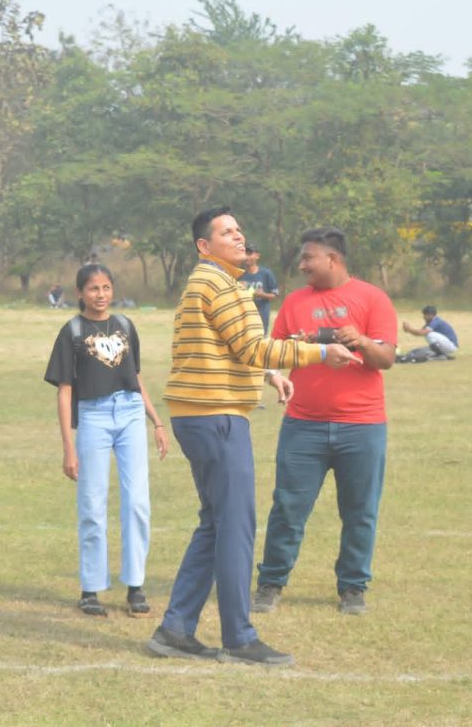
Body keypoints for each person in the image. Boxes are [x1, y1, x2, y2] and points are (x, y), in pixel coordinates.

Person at [146, 206, 359, 667]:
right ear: (204, 246)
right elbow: (251, 346)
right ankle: (239, 638)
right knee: (236, 526)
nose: (239, 237)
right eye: (227, 232)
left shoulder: (213, 283)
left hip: (201, 414)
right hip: (215, 417)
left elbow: (223, 349)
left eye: (239, 230)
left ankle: (175, 629)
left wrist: (267, 374)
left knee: (216, 523)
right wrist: (320, 351)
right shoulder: (217, 284)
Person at [252, 227, 397, 617]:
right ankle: (271, 582)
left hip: (362, 426)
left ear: (332, 259)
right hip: (304, 425)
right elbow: (272, 353)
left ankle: (353, 587)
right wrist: (278, 369)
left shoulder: (373, 298)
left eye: (308, 258)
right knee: (288, 508)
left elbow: (386, 359)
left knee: (360, 511)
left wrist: (361, 341)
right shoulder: (295, 302)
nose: (302, 265)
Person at [44, 264, 169, 618]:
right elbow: (65, 392)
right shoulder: (72, 331)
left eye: (106, 287)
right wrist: (68, 448)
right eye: (93, 289)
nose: (101, 295)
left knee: (137, 502)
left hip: (130, 412)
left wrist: (157, 421)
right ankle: (91, 588)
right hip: (94, 415)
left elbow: (136, 379)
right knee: (92, 504)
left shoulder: (125, 326)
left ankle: (135, 585)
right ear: (80, 293)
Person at [239, 243, 279, 334]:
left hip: (261, 318)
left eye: (249, 253)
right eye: (245, 253)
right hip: (244, 319)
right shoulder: (239, 274)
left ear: (257, 256)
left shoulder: (266, 274)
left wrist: (262, 294)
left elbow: (275, 295)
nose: (247, 257)